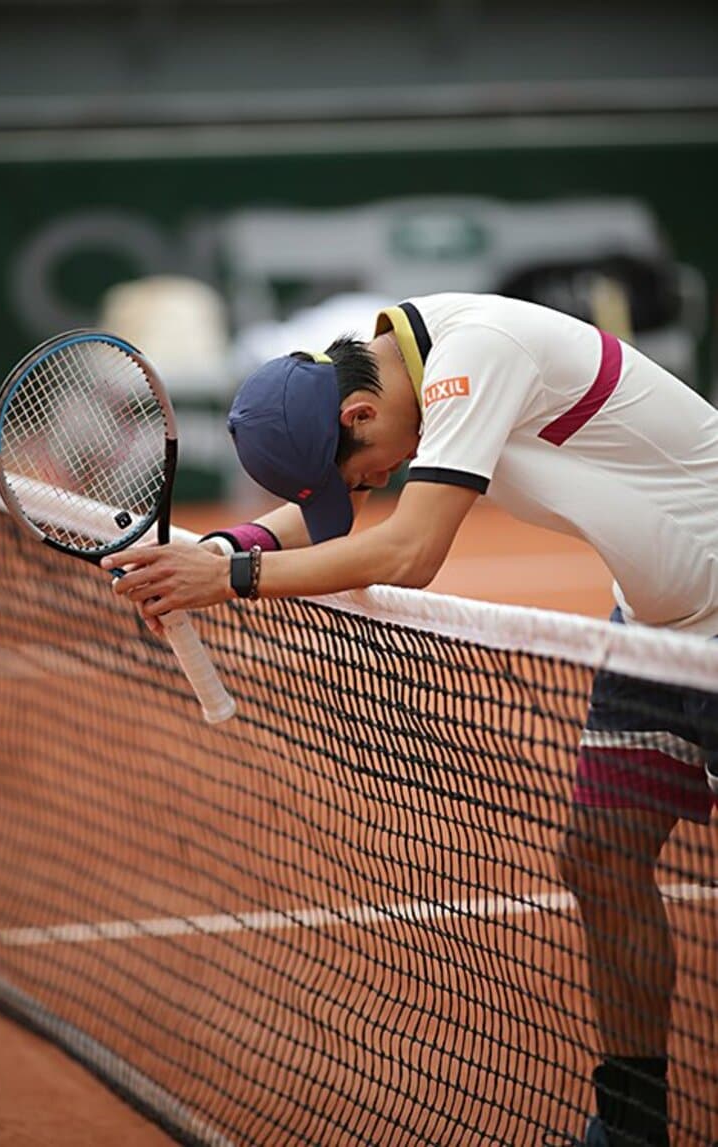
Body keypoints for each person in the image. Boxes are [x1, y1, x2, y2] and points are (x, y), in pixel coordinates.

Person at [103, 292, 718, 1146]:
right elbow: (345, 488)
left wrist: (232, 584)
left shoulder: (477, 355)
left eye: (363, 474)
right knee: (602, 855)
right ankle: (631, 1125)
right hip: (655, 625)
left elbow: (408, 551)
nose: (372, 487)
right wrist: (223, 547)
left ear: (357, 412)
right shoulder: (405, 373)